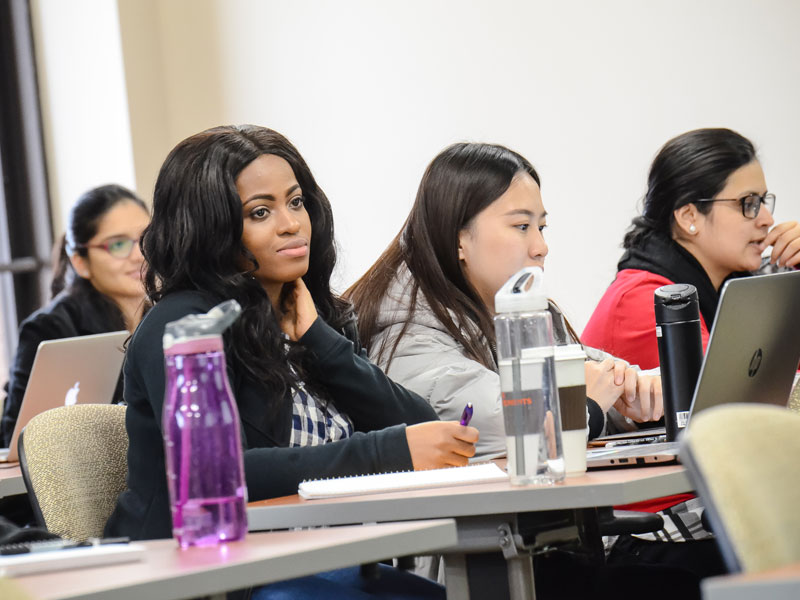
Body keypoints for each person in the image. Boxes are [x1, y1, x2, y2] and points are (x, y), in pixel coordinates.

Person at [104, 125, 477, 599]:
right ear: (212, 227)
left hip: (317, 561)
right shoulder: (183, 328)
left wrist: (322, 341)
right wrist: (387, 452)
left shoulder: (315, 316)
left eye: (296, 202)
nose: (291, 224)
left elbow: (418, 428)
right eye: (261, 212)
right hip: (211, 574)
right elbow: (225, 474)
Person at [347, 142, 663, 460]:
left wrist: (638, 396)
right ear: (458, 238)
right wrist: (587, 404)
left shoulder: (521, 309)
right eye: (522, 226)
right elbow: (504, 426)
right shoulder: (405, 330)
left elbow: (598, 376)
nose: (541, 247)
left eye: (541, 227)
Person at [583, 127, 800, 370]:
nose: (767, 219)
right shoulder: (648, 300)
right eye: (748, 203)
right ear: (689, 217)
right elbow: (751, 386)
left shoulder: (735, 284)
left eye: (762, 201)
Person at [1, 184, 149, 445]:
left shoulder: (169, 313)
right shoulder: (51, 328)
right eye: (117, 245)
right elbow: (20, 439)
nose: (139, 255)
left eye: (146, 238)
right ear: (80, 261)